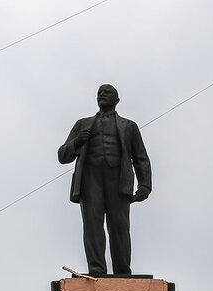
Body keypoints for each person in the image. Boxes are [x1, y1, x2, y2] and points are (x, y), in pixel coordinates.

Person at [58, 84, 152, 276]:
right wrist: (77, 142)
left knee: (119, 225)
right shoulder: (82, 124)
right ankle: (96, 269)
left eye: (106, 92)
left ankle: (123, 271)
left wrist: (145, 184)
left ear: (117, 100)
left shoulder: (129, 126)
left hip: (118, 179)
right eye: (99, 93)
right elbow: (62, 155)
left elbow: (141, 157)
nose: (101, 94)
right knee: (92, 224)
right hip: (90, 179)